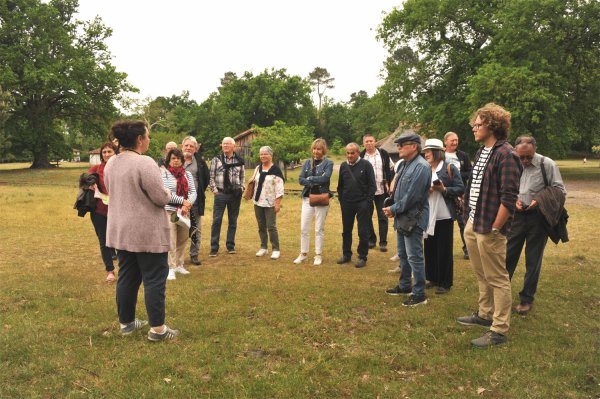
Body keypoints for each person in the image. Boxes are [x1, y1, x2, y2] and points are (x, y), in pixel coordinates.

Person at [104, 120, 179, 341]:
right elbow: (160, 196)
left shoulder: (111, 163)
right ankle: (158, 330)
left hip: (122, 231)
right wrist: (167, 191)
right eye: (147, 136)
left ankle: (126, 323)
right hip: (147, 232)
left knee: (127, 276)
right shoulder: (144, 163)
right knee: (155, 278)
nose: (149, 140)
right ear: (139, 139)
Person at [456, 103, 521, 347]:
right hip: (474, 222)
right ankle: (484, 314)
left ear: (492, 126)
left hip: (490, 227)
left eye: (479, 124)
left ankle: (499, 329)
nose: (474, 127)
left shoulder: (507, 155)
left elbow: (509, 197)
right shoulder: (483, 151)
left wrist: (495, 227)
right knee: (481, 273)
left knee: (497, 277)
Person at [506, 136, 566, 315]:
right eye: (521, 157)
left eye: (528, 157)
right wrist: (513, 200)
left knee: (533, 259)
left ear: (535, 151)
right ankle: (500, 294)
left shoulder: (547, 164)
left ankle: (526, 299)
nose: (524, 161)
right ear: (515, 152)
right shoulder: (511, 163)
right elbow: (505, 186)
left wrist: (539, 201)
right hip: (516, 217)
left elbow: (560, 190)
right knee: (508, 256)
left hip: (538, 218)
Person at [383, 133, 431, 306]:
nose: (399, 148)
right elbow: (397, 191)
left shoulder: (422, 167)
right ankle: (404, 286)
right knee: (403, 254)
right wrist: (392, 206)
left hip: (414, 218)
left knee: (414, 256)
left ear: (414, 147)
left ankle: (419, 293)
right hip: (402, 216)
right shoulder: (404, 164)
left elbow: (413, 197)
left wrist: (393, 209)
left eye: (403, 145)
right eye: (398, 145)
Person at [422, 138, 465, 294]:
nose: (425, 154)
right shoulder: (425, 169)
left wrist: (444, 189)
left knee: (444, 249)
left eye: (428, 151)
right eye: (425, 151)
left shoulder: (449, 167)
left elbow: (460, 188)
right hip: (428, 213)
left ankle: (445, 282)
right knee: (429, 248)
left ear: (437, 152)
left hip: (445, 215)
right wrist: (427, 190)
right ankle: (432, 277)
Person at [295, 138, 334, 266]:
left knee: (319, 229)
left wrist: (310, 178)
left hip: (321, 198)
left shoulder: (329, 163)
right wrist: (313, 181)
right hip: (307, 198)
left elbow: (326, 178)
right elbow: (300, 179)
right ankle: (303, 254)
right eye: (314, 149)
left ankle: (318, 255)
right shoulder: (307, 162)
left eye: (319, 149)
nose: (316, 151)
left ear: (323, 150)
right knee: (304, 228)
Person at [336, 143, 376, 268]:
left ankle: (362, 256)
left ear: (358, 153)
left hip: (362, 203)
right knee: (346, 230)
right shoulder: (343, 166)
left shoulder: (366, 165)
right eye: (348, 153)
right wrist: (342, 201)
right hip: (347, 203)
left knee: (363, 231)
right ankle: (346, 254)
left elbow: (372, 186)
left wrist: (367, 202)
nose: (350, 155)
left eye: (352, 152)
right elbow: (340, 186)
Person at [162, 148, 197, 280]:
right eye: (173, 158)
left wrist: (187, 205)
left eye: (178, 158)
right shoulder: (164, 175)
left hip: (184, 212)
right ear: (169, 160)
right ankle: (170, 268)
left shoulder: (187, 175)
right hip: (170, 211)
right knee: (171, 239)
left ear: (182, 160)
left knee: (182, 238)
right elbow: (167, 195)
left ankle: (179, 264)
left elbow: (193, 192)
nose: (176, 161)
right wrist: (183, 202)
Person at [209, 137, 245, 256]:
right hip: (221, 194)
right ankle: (214, 247)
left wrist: (242, 188)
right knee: (217, 220)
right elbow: (212, 176)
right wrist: (214, 190)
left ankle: (230, 245)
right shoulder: (216, 159)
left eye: (228, 144)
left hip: (235, 195)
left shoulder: (239, 160)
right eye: (224, 144)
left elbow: (242, 177)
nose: (225, 146)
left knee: (233, 221)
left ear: (233, 147)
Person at [88, 141, 118, 282]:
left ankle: (125, 268)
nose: (106, 154)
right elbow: (84, 180)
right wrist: (89, 184)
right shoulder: (96, 168)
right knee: (104, 240)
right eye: (104, 152)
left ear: (115, 153)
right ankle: (110, 270)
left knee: (119, 240)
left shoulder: (121, 168)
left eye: (109, 152)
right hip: (99, 211)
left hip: (119, 211)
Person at [360, 133, 394, 252]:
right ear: (363, 144)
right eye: (366, 141)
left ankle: (383, 242)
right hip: (366, 192)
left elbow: (391, 168)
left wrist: (390, 183)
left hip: (382, 191)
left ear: (375, 142)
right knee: (367, 216)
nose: (369, 143)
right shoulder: (361, 156)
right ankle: (371, 240)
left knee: (382, 216)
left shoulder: (383, 154)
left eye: (371, 141)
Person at [249, 146, 285, 259]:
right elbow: (253, 181)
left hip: (270, 203)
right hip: (257, 201)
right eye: (261, 154)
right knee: (261, 226)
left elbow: (280, 188)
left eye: (265, 154)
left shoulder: (276, 170)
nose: (263, 156)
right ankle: (263, 247)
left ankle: (276, 249)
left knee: (271, 226)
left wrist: (278, 203)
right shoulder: (258, 168)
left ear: (271, 155)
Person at [182, 136, 209, 266]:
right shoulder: (175, 160)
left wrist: (199, 192)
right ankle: (177, 256)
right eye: (186, 145)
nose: (188, 148)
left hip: (195, 202)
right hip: (178, 203)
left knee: (195, 229)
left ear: (195, 149)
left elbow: (206, 179)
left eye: (191, 146)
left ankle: (194, 255)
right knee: (178, 229)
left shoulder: (200, 162)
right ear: (182, 147)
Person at [444, 131, 472, 259]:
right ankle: (444, 249)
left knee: (463, 222)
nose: (455, 142)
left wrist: (457, 176)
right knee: (445, 222)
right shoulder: (440, 155)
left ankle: (467, 249)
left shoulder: (463, 155)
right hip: (444, 192)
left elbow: (470, 173)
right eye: (452, 140)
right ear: (446, 142)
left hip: (461, 193)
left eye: (456, 140)